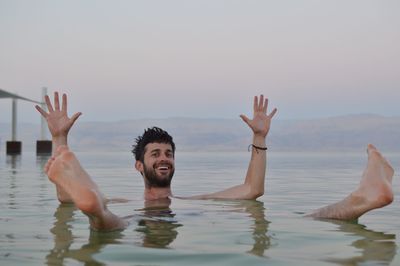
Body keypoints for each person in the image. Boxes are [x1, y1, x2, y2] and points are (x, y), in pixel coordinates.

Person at [35, 92, 394, 231]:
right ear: (139, 166)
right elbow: (67, 197)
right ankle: (94, 206)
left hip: (156, 217)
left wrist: (259, 138)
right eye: (155, 154)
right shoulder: (125, 204)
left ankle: (359, 201)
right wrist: (59, 139)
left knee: (307, 218)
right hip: (125, 219)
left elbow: (252, 191)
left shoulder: (196, 202)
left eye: (169, 153)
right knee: (106, 218)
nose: (164, 158)